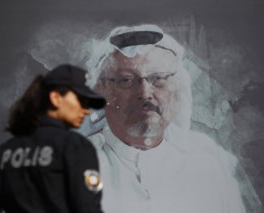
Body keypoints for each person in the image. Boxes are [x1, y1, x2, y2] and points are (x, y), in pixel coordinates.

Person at [85, 25, 246, 213]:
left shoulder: (207, 168)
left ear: (177, 90)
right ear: (101, 91)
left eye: (158, 78)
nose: (145, 93)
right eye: (126, 80)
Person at [0, 64, 106, 213]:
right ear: (56, 98)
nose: (86, 110)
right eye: (81, 101)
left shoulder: (5, 152)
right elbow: (88, 208)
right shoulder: (75, 146)